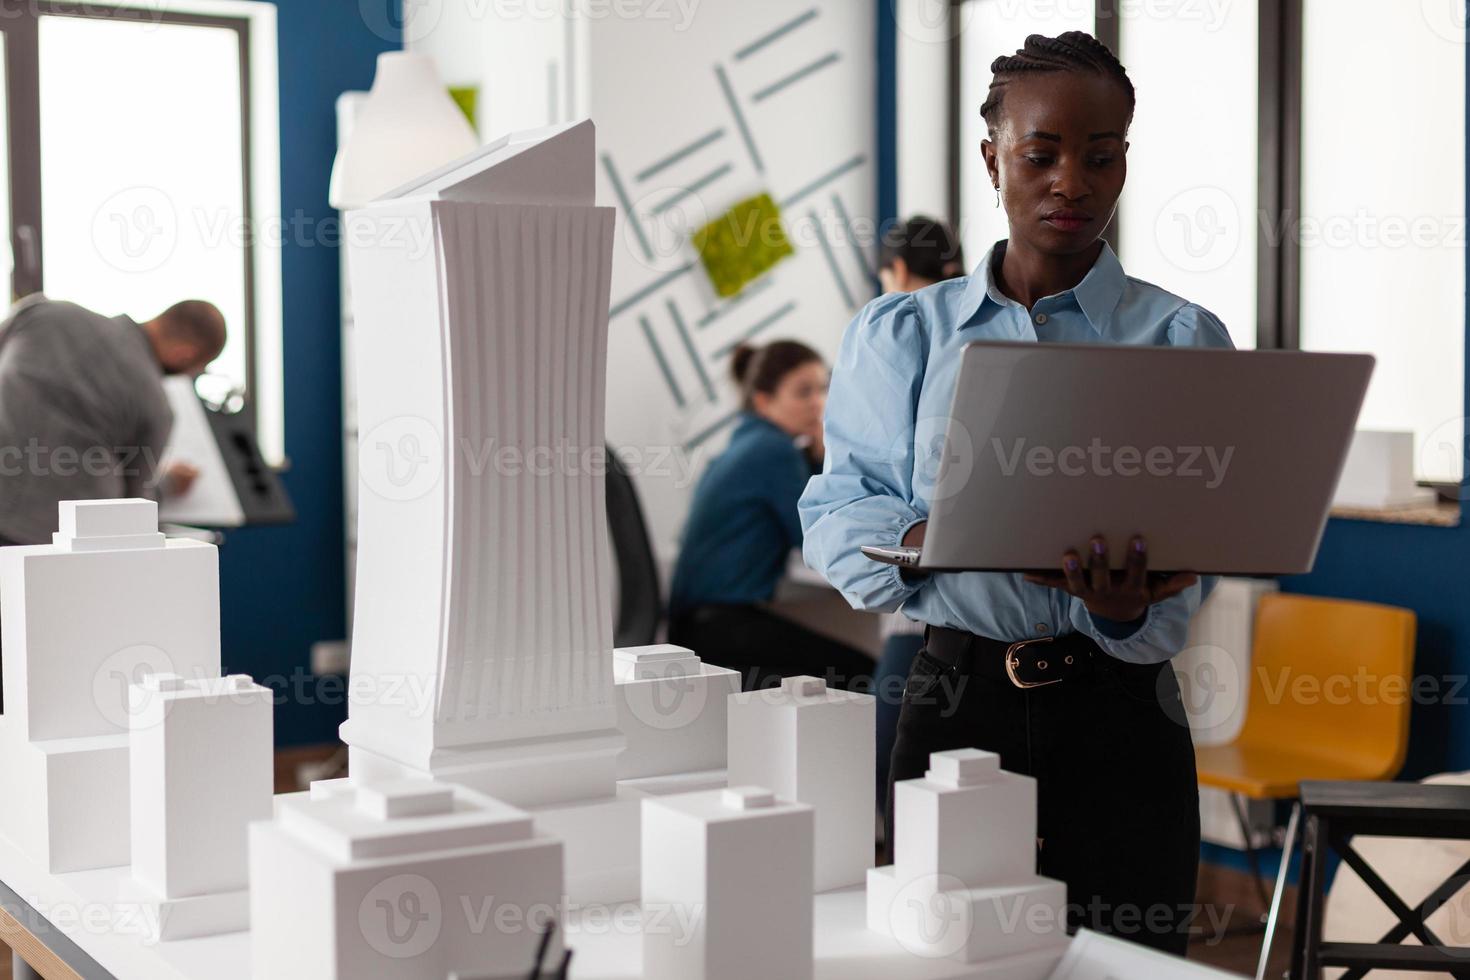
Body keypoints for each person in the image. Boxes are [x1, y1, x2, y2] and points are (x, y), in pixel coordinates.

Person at [800, 32, 1233, 955]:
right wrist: (936, 539)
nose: (1071, 182)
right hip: (958, 705)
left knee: (1129, 963)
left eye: (1101, 156)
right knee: (948, 962)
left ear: (1124, 163)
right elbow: (838, 513)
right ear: (993, 158)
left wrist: (1124, 611)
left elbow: (1192, 564)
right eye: (1040, 155)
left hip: (1126, 713)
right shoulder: (902, 334)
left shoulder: (1182, 338)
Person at [669, 339, 874, 692]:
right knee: (864, 673)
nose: (818, 403)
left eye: (822, 388)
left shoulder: (746, 443)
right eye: (803, 392)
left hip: (696, 625)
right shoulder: (773, 451)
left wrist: (815, 455)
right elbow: (818, 536)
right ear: (764, 401)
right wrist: (829, 457)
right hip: (719, 628)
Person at [871, 215, 967, 816]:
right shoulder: (977, 328)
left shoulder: (890, 336)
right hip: (985, 604)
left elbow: (875, 473)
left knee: (899, 789)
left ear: (898, 271)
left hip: (918, 599)